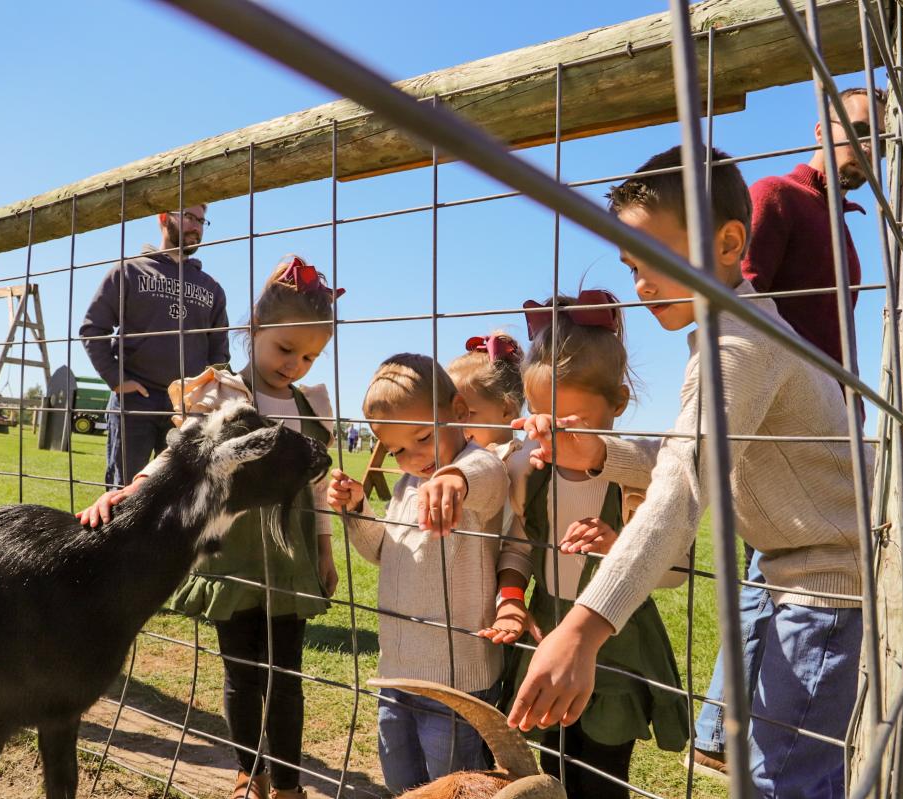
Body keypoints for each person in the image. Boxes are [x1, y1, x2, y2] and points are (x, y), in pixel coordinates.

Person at [506, 145, 871, 798]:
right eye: (630, 263)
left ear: (730, 241)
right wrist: (594, 452)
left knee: (782, 780)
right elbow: (686, 453)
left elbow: (679, 489)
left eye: (654, 258)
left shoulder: (738, 348)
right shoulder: (732, 333)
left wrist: (583, 627)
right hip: (800, 573)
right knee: (777, 768)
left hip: (825, 589)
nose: (641, 282)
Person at [78, 256, 340, 799]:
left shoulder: (311, 405)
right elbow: (182, 454)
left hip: (290, 557)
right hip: (231, 551)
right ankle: (250, 770)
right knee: (240, 671)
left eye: (311, 355)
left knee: (285, 676)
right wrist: (133, 487)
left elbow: (318, 486)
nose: (295, 365)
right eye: (285, 349)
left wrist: (325, 551)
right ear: (254, 332)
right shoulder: (219, 394)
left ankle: (289, 782)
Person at [692, 85, 887, 779]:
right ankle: (723, 730)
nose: (869, 147)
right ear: (822, 124)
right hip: (780, 422)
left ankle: (730, 731)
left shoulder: (842, 220)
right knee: (769, 577)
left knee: (772, 578)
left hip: (830, 425)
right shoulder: (776, 194)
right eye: (859, 128)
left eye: (881, 138)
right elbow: (741, 302)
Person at [478, 292, 688, 799]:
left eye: (568, 422)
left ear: (617, 403)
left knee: (602, 772)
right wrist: (510, 600)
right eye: (539, 415)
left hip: (615, 644)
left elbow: (677, 571)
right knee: (547, 762)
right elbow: (521, 545)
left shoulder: (637, 478)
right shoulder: (528, 473)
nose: (550, 433)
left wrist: (620, 546)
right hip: (545, 629)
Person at [326, 354, 509, 795]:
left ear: (459, 412)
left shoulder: (477, 471)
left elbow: (487, 474)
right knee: (403, 782)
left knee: (455, 785)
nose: (413, 457)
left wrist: (455, 478)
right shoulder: (408, 486)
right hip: (397, 673)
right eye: (398, 450)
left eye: (423, 437)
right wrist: (356, 510)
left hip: (454, 683)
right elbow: (385, 552)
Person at [81, 204, 229, 489]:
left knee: (177, 497)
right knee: (122, 493)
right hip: (135, 402)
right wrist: (117, 379)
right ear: (164, 218)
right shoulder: (128, 271)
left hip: (187, 409)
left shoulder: (211, 288)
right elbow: (93, 329)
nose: (196, 226)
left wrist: (204, 399)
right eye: (188, 216)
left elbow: (219, 351)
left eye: (201, 220)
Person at [447, 332, 525, 452]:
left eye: (467, 413)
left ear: (506, 410)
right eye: (451, 415)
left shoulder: (519, 458)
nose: (455, 424)